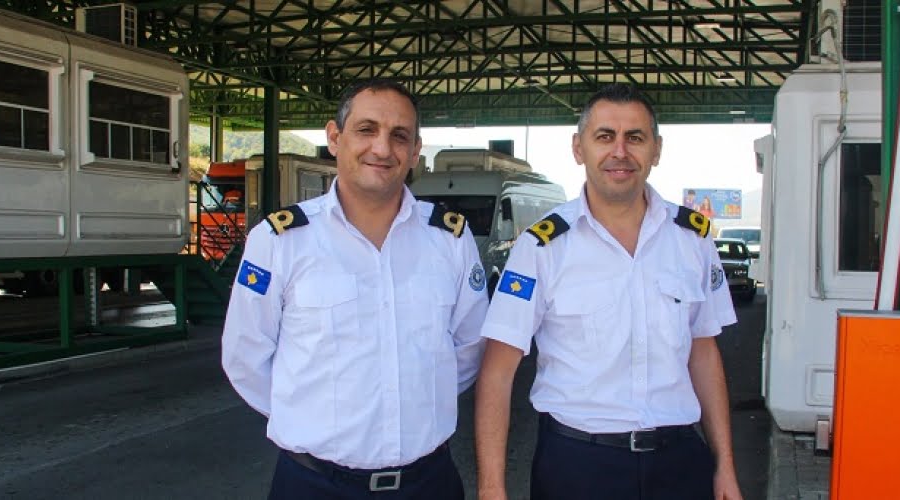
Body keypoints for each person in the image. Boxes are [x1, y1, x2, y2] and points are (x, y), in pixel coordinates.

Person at [221, 79, 488, 499]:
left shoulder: (449, 239)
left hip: (427, 483)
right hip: (313, 484)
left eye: (399, 136)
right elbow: (245, 355)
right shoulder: (279, 241)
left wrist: (416, 405)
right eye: (366, 130)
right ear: (334, 138)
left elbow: (469, 348)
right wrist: (310, 416)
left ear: (415, 151)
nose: (382, 148)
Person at [474, 84, 743, 500]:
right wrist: (492, 488)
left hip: (678, 463)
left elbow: (704, 353)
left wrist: (725, 465)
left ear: (656, 150)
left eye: (635, 137)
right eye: (605, 136)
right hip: (577, 466)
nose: (620, 151)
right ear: (578, 148)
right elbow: (498, 370)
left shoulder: (692, 239)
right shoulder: (542, 246)